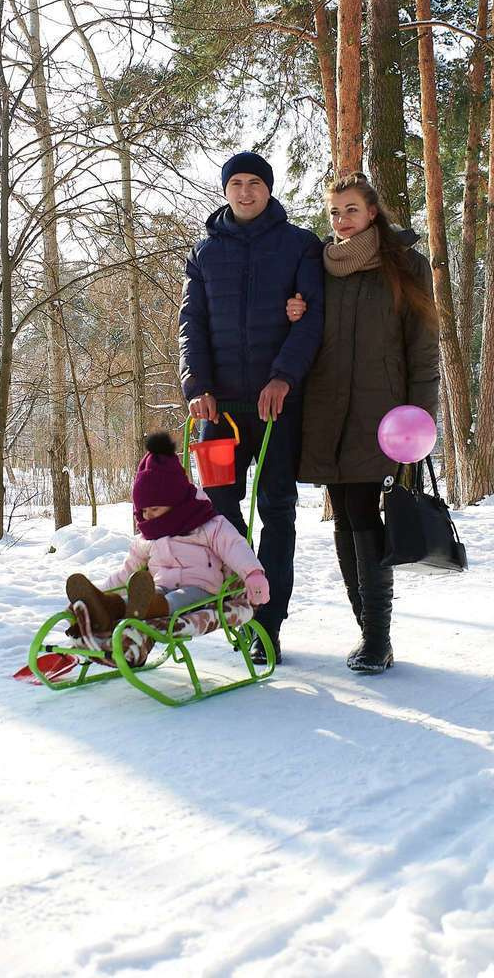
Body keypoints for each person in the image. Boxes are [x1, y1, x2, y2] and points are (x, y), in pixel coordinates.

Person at [287, 172, 439, 674]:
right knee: (346, 516)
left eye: (351, 209)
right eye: (334, 212)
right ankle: (369, 634)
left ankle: (377, 638)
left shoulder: (405, 265)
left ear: (372, 211)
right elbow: (307, 331)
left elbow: (422, 345)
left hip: (385, 415)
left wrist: (420, 418)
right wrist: (294, 312)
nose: (341, 220)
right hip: (328, 409)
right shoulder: (319, 267)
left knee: (366, 516)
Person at [179, 150, 324, 663]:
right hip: (217, 411)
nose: (245, 191)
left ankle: (269, 624)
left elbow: (311, 320)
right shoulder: (203, 253)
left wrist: (284, 377)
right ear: (225, 190)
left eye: (255, 183)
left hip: (276, 406)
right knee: (218, 512)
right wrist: (196, 385)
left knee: (279, 510)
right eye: (236, 183)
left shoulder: (300, 245)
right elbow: (190, 324)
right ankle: (242, 596)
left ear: (269, 189)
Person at [65, 432, 271, 637]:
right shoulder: (148, 538)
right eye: (143, 510)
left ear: (175, 501)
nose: (148, 516)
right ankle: (105, 607)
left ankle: (145, 608)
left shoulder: (208, 525)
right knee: (144, 597)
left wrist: (253, 574)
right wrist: (101, 593)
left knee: (176, 599)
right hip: (158, 589)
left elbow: (235, 547)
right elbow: (126, 573)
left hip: (202, 591)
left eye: (154, 509)